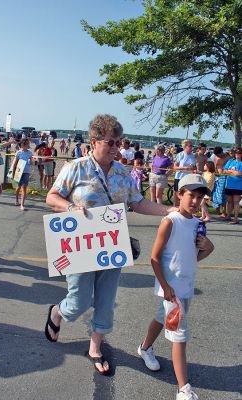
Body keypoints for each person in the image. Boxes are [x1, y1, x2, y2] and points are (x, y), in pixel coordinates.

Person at [45, 114, 174, 375]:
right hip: (81, 244)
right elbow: (51, 196)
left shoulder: (123, 173)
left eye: (119, 142)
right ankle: (58, 313)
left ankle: (95, 347)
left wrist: (169, 211)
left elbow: (137, 203)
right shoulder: (76, 168)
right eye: (111, 142)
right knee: (79, 300)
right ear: (94, 142)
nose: (116, 147)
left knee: (106, 300)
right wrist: (70, 207)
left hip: (112, 246)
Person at [138, 174, 214, 400]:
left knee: (161, 318)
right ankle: (183, 388)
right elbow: (154, 257)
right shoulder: (170, 221)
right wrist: (165, 286)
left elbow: (191, 257)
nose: (194, 201)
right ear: (179, 194)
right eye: (191, 195)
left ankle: (144, 348)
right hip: (173, 291)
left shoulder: (196, 224)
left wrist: (209, 248)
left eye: (199, 197)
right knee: (179, 335)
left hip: (186, 286)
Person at [173, 140, 196, 206]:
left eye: (192, 146)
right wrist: (184, 168)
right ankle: (175, 207)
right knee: (177, 193)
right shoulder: (180, 155)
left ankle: (183, 207)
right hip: (179, 176)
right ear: (185, 146)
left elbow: (194, 167)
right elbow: (175, 167)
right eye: (190, 146)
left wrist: (193, 169)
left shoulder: (192, 156)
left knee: (186, 193)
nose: (192, 147)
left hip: (188, 178)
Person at [222, 147, 242, 224]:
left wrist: (231, 172)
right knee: (229, 201)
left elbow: (239, 174)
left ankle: (236, 218)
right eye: (236, 153)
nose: (237, 154)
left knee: (236, 202)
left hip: (238, 185)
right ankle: (228, 215)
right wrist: (233, 172)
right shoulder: (230, 161)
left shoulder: (241, 163)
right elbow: (224, 170)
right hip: (229, 184)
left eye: (239, 153)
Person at [12, 138, 33, 211]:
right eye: (27, 144)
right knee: (18, 187)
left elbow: (31, 162)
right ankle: (17, 200)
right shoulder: (18, 152)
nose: (28, 145)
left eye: (28, 144)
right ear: (22, 145)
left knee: (24, 188)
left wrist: (31, 162)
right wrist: (13, 173)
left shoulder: (30, 153)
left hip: (26, 172)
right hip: (19, 171)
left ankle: (22, 205)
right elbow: (15, 163)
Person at [211, 146, 230, 217]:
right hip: (218, 177)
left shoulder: (228, 157)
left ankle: (224, 211)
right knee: (216, 194)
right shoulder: (216, 158)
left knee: (224, 195)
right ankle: (217, 209)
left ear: (222, 152)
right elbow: (215, 168)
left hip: (226, 177)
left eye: (219, 154)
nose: (218, 156)